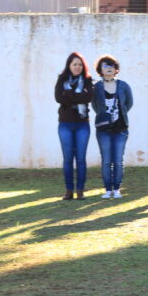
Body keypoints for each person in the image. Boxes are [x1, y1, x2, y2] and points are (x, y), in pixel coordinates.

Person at [92, 55, 134, 199]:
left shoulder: (123, 85)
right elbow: (95, 105)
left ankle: (116, 188)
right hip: (103, 129)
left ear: (116, 69)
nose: (108, 68)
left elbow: (129, 103)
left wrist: (118, 116)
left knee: (118, 159)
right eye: (105, 66)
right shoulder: (96, 87)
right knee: (106, 160)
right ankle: (107, 189)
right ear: (100, 70)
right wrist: (105, 117)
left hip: (121, 128)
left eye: (111, 66)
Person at [54, 52, 94, 200]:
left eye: (79, 64)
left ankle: (80, 190)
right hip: (65, 124)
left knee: (81, 159)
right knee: (68, 159)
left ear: (83, 66)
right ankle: (69, 190)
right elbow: (59, 98)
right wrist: (77, 97)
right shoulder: (62, 79)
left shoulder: (88, 80)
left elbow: (88, 97)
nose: (77, 67)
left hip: (82, 125)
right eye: (74, 64)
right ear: (69, 66)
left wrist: (69, 94)